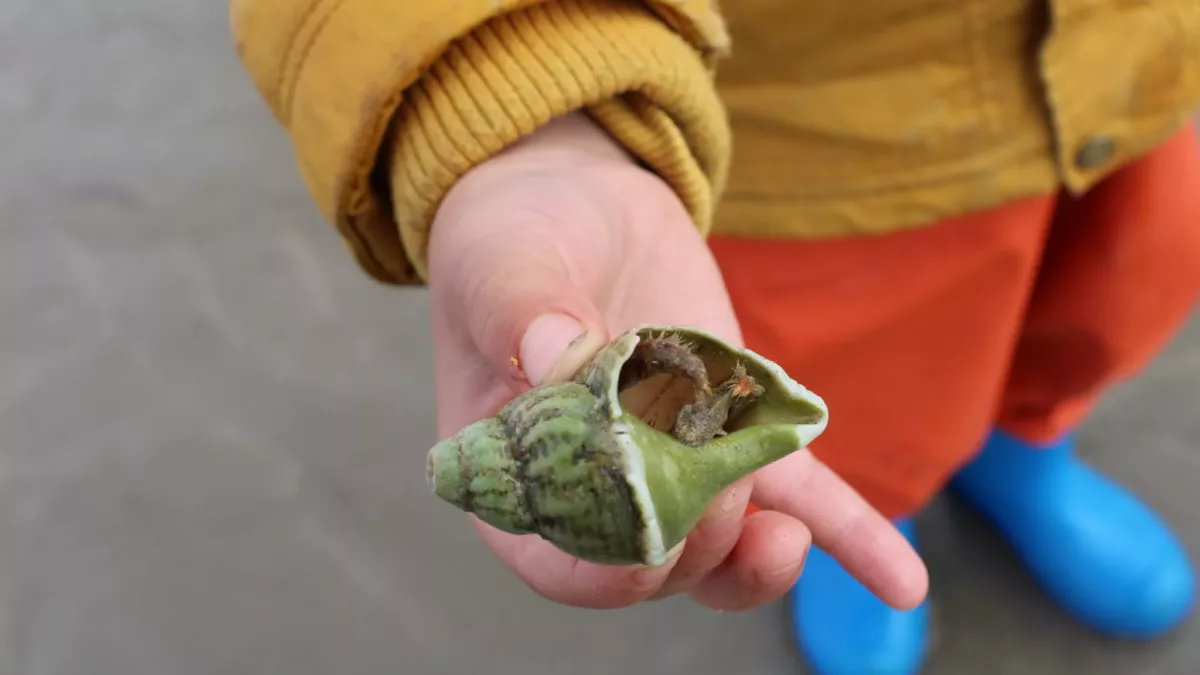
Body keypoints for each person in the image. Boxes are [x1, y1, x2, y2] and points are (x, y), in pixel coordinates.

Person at [229, 0, 1200, 672]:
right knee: (862, 388)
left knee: (1104, 302)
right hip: (815, 150)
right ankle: (873, 510)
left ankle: (1027, 450)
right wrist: (521, 102)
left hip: (1147, 73)